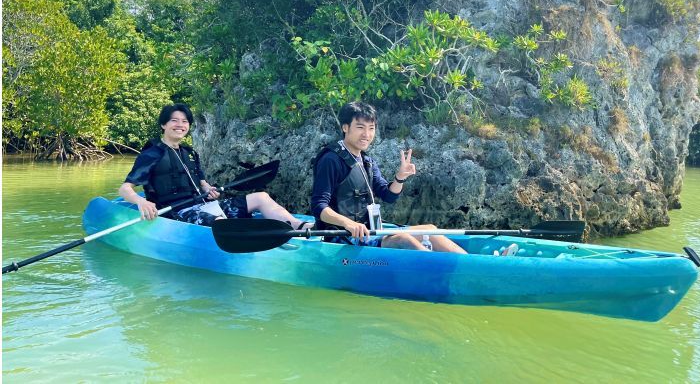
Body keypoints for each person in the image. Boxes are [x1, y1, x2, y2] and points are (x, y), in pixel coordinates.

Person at [119, 103, 312, 230]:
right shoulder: (152, 154)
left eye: (184, 121)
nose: (180, 125)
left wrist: (209, 189)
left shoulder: (190, 153)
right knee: (221, 224)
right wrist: (141, 202)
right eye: (174, 121)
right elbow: (125, 189)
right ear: (163, 124)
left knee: (261, 197)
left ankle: (298, 226)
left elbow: (201, 182)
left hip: (203, 205)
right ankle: (244, 239)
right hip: (177, 214)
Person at [310, 101, 467, 253]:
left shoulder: (366, 161)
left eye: (371, 128)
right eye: (360, 127)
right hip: (342, 237)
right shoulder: (330, 160)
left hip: (369, 231)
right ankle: (441, 276)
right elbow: (319, 206)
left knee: (431, 230)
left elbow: (388, 195)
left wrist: (400, 177)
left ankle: (464, 267)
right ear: (345, 127)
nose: (367, 134)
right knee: (403, 240)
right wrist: (348, 224)